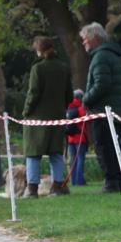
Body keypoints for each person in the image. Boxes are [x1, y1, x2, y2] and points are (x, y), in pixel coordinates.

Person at [21, 36, 73, 198]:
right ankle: (57, 188)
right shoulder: (63, 67)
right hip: (57, 117)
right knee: (56, 153)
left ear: (39, 50)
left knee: (33, 154)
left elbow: (33, 94)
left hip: (37, 119)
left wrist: (25, 112)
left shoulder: (38, 69)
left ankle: (32, 190)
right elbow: (69, 96)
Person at [79, 22, 121, 193]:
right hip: (117, 110)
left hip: (103, 111)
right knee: (115, 148)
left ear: (95, 39)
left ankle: (111, 182)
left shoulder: (100, 57)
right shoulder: (113, 55)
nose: (83, 43)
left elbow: (102, 84)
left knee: (104, 147)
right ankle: (118, 181)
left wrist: (86, 99)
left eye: (85, 39)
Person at [66, 89, 89, 187]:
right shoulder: (80, 108)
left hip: (70, 138)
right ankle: (80, 181)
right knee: (80, 159)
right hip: (80, 138)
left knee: (72, 160)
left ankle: (74, 181)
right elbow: (87, 120)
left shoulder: (68, 108)